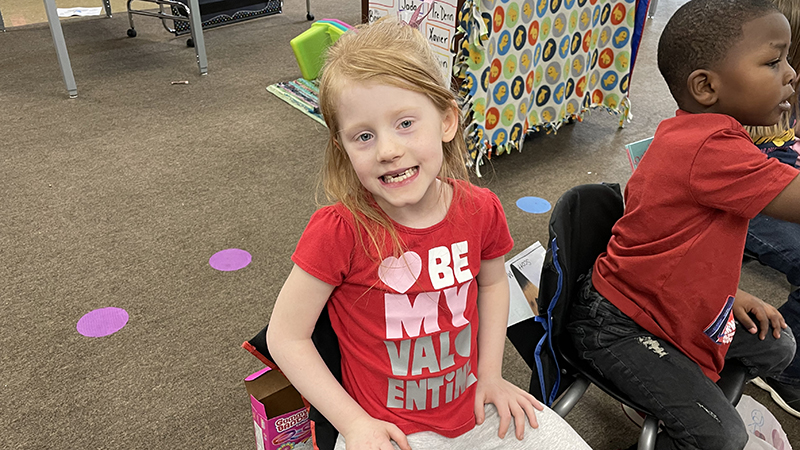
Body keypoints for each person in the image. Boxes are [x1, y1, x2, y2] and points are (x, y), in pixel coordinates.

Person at [266, 18, 591, 450]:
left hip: (474, 408)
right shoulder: (340, 230)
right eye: (363, 136)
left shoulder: (480, 209)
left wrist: (491, 376)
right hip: (386, 429)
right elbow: (285, 336)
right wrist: (354, 423)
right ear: (342, 148)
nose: (387, 150)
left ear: (446, 121)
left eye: (405, 123)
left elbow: (492, 284)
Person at [565, 0, 800, 449]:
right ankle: (669, 399)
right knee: (721, 434)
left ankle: (665, 391)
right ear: (706, 87)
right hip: (622, 324)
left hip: (668, 304)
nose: (790, 73)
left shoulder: (699, 133)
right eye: (773, 61)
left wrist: (729, 295)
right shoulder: (712, 150)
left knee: (778, 345)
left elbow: (676, 246)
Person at [744, 0, 800, 419]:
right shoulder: (721, 142)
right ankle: (787, 372)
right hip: (759, 181)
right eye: (773, 61)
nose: (789, 74)